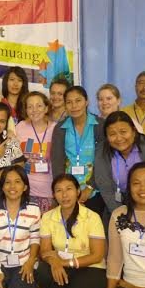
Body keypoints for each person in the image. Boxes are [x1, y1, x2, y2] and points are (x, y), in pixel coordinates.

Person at [36, 174, 106, 288]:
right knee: (41, 270)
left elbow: (97, 255)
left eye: (69, 189)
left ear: (78, 191)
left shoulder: (92, 217)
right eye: (59, 190)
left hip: (89, 266)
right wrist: (54, 262)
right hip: (61, 264)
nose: (64, 195)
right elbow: (45, 250)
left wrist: (65, 263)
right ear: (54, 195)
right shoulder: (48, 217)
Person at [94, 111, 145, 220]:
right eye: (112, 134)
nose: (119, 138)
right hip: (117, 205)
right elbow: (106, 188)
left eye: (123, 132)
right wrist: (122, 218)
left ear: (134, 131)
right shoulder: (101, 152)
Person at [51, 86, 106, 216]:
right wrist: (65, 192)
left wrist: (90, 188)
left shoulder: (100, 125)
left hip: (95, 190)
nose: (74, 106)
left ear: (86, 102)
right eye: (69, 102)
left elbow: (104, 160)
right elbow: (57, 163)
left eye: (78, 101)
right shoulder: (60, 128)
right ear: (65, 105)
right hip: (68, 194)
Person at [15, 91, 55, 212]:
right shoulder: (20, 127)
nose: (34, 110)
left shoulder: (55, 129)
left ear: (46, 108)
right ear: (26, 110)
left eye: (39, 106)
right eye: (30, 107)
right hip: (25, 191)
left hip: (50, 192)